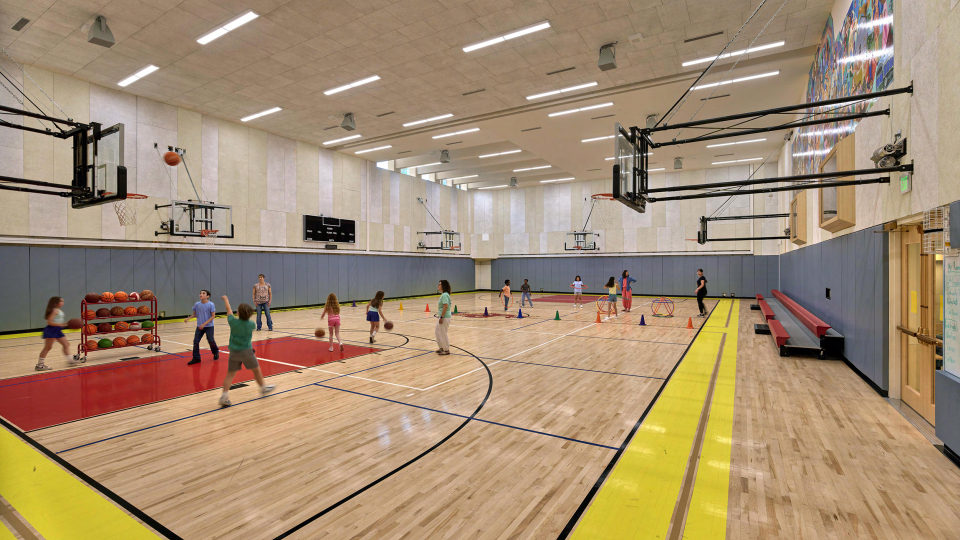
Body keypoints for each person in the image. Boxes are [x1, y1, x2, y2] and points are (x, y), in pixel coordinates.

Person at [217, 295, 276, 407]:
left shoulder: (232, 322)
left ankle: (224, 396)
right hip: (247, 351)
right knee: (256, 370)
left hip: (234, 351)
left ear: (238, 313)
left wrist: (226, 300)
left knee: (230, 375)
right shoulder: (251, 325)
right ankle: (263, 388)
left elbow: (228, 310)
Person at [36, 296, 77, 371]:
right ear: (56, 303)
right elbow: (49, 322)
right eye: (61, 301)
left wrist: (65, 323)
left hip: (57, 330)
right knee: (48, 347)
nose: (63, 303)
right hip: (51, 330)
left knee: (66, 344)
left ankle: (70, 361)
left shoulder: (59, 310)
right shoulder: (54, 311)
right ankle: (40, 365)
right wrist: (61, 325)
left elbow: (58, 321)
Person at [185, 290, 219, 365]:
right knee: (196, 341)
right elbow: (194, 314)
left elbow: (213, 316)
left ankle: (215, 351)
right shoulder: (197, 304)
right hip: (199, 327)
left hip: (209, 326)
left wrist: (204, 324)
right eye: (200, 293)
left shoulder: (211, 304)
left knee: (210, 340)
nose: (201, 294)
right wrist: (188, 318)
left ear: (207, 296)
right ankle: (196, 358)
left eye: (203, 293)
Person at [436, 280, 452, 355]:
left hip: (445, 317)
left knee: (442, 333)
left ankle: (446, 349)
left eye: (439, 284)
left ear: (443, 286)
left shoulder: (445, 295)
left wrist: (442, 317)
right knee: (437, 332)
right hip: (442, 316)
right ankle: (442, 347)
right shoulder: (443, 294)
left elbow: (445, 306)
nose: (438, 285)